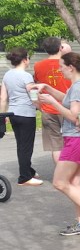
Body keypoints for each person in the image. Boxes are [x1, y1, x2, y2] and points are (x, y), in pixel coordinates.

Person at [34, 52, 80, 238]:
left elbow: (74, 115)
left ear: (71, 67)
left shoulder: (78, 87)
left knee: (60, 182)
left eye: (62, 67)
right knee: (74, 183)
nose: (60, 70)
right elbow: (68, 100)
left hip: (76, 139)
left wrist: (52, 103)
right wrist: (48, 88)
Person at [1, 47, 42, 186]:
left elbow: (3, 98)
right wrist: (42, 108)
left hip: (13, 113)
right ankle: (24, 177)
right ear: (24, 60)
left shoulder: (7, 75)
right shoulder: (26, 76)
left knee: (21, 144)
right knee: (26, 146)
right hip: (26, 114)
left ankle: (28, 170)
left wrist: (3, 115)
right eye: (28, 58)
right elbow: (33, 96)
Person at [34, 36, 71, 166]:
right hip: (68, 107)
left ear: (45, 49)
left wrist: (39, 106)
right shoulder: (68, 64)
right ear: (60, 47)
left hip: (48, 107)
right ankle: (73, 172)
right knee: (71, 141)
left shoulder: (38, 66)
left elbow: (37, 84)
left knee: (55, 146)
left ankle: (60, 171)